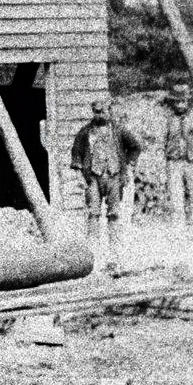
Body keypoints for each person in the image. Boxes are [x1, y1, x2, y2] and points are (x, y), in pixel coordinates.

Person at [70, 100, 143, 274]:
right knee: (93, 215)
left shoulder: (118, 130)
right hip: (93, 178)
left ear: (109, 111)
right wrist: (79, 175)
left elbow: (135, 147)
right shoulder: (85, 132)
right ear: (93, 112)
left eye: (103, 112)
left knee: (114, 215)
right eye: (96, 112)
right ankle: (92, 258)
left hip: (114, 177)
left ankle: (115, 256)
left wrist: (130, 167)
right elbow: (76, 153)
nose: (100, 115)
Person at [162, 83, 193, 227]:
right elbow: (163, 138)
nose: (180, 105)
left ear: (188, 102)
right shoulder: (168, 119)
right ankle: (177, 225)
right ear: (172, 103)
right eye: (177, 102)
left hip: (192, 160)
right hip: (174, 160)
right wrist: (166, 154)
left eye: (183, 101)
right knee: (175, 193)